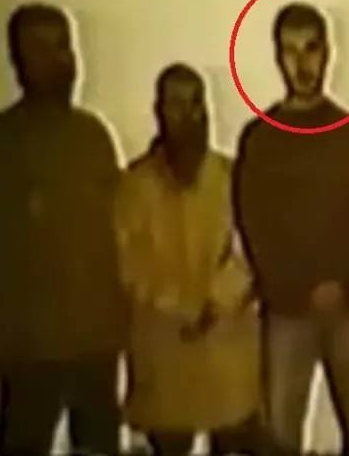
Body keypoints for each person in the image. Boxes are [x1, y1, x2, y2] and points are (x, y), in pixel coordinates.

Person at [233, 3, 349, 455]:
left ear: (328, 53)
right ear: (277, 57)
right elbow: (255, 226)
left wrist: (341, 280)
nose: (302, 63)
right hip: (286, 311)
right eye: (291, 50)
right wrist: (298, 287)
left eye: (312, 48)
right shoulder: (260, 139)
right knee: (280, 437)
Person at [0, 3, 127, 455]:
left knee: (99, 445)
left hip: (96, 340)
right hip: (31, 346)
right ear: (18, 60)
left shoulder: (93, 135)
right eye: (41, 48)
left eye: (64, 46)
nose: (59, 59)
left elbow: (118, 231)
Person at [115, 64, 264, 455]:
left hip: (226, 346)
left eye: (196, 103)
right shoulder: (134, 184)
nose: (189, 115)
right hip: (165, 349)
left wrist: (216, 303)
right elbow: (128, 261)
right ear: (159, 111)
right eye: (176, 104)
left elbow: (251, 249)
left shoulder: (233, 177)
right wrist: (181, 305)